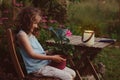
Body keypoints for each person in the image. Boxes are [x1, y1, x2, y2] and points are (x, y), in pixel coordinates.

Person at [15, 7, 76, 80]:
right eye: (35, 23)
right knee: (67, 77)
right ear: (27, 22)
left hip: (45, 64)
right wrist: (52, 57)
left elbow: (37, 51)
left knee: (73, 73)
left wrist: (49, 52)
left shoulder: (30, 34)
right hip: (37, 68)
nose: (36, 26)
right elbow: (31, 54)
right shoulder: (22, 35)